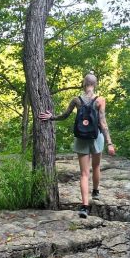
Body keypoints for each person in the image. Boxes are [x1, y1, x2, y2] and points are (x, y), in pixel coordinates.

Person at [39, 71, 116, 218]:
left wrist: (51, 117)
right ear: (95, 84)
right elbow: (103, 123)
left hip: (81, 138)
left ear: (83, 83)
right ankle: (95, 191)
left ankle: (85, 207)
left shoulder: (77, 100)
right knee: (96, 166)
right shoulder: (100, 100)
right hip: (96, 137)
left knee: (84, 174)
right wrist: (109, 143)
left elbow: (65, 115)